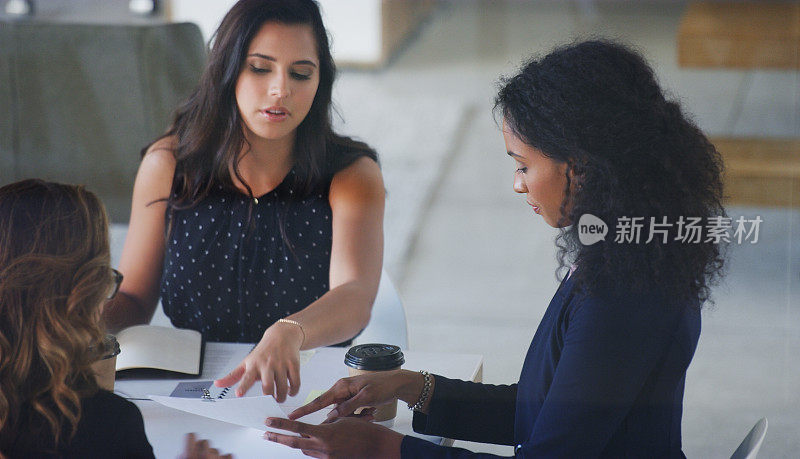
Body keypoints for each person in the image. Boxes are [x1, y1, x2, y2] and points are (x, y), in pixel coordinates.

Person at [263, 40, 727, 457]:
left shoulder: (624, 295)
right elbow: (543, 410)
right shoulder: (624, 254)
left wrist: (388, 451)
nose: (517, 184)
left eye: (524, 166)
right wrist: (411, 386)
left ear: (585, 166)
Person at [102, 0, 384, 403]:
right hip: (193, 393)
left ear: (321, 80)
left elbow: (355, 294)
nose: (280, 89)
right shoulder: (169, 165)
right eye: (260, 67)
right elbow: (132, 302)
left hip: (306, 391)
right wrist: (66, 313)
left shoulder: (350, 175)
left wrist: (291, 331)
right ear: (227, 69)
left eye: (301, 73)